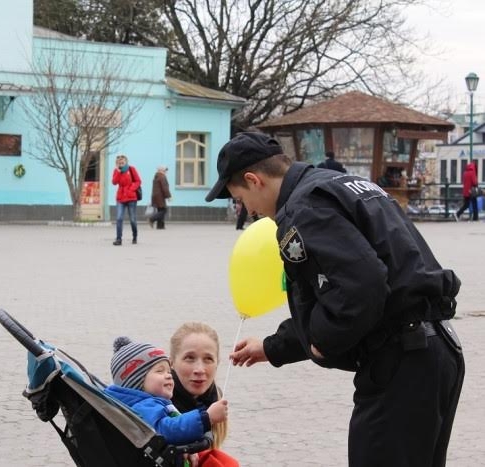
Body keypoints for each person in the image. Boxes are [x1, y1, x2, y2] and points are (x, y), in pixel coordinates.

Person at [206, 131, 464, 466]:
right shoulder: (338, 185)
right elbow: (337, 292)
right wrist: (274, 347)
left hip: (402, 361)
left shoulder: (304, 209)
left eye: (240, 199)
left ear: (254, 181)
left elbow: (364, 286)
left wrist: (323, 341)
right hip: (434, 350)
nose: (248, 210)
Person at [104, 337, 229, 467]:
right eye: (160, 371)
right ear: (137, 382)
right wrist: (206, 418)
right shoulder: (144, 407)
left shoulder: (151, 402)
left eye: (169, 371)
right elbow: (166, 430)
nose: (169, 375)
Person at [170, 323, 239, 466]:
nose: (200, 369)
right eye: (189, 358)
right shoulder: (159, 405)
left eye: (208, 359)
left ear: (217, 363)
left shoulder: (215, 400)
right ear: (171, 363)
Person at [111, 154, 141, 245]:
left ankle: (135, 236)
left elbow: (138, 181)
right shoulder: (116, 171)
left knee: (132, 219)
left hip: (131, 197)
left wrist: (131, 189)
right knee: (119, 218)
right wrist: (118, 172)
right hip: (120, 198)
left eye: (122, 162)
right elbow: (114, 182)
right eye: (119, 163)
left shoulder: (132, 169)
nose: (121, 164)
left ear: (126, 162)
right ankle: (118, 239)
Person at [148, 165, 171, 230]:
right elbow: (165, 188)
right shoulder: (162, 177)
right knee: (164, 210)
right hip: (160, 196)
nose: (165, 171)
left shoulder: (156, 176)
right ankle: (151, 219)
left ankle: (160, 226)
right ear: (160, 170)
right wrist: (168, 196)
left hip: (156, 196)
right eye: (164, 170)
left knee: (160, 210)